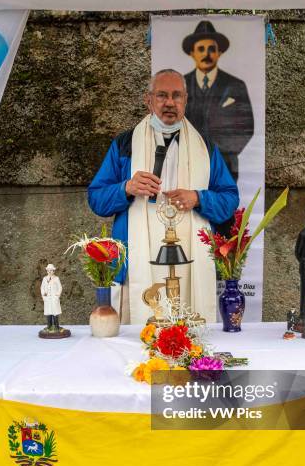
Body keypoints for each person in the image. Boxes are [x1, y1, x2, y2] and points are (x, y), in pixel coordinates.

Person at [87, 69, 239, 324]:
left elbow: (229, 200)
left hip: (190, 263)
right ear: (149, 100)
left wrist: (199, 198)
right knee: (134, 350)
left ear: (186, 100)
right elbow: (96, 198)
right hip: (136, 261)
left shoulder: (206, 147)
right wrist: (125, 188)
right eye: (162, 95)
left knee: (191, 342)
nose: (170, 103)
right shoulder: (125, 145)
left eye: (177, 96)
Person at [183, 21, 254, 184]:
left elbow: (246, 127)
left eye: (211, 49)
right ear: (192, 53)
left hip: (226, 167)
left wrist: (222, 153)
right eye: (201, 49)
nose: (206, 54)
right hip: (187, 168)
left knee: (223, 208)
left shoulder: (236, 86)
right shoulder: (181, 86)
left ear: (219, 53)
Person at [41, 264, 62, 330]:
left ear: (53, 271)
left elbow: (60, 287)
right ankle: (49, 326)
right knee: (48, 312)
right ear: (47, 271)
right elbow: (42, 287)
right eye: (48, 270)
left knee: (55, 312)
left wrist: (57, 295)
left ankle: (56, 326)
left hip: (54, 298)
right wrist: (43, 295)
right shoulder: (44, 279)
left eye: (51, 270)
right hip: (47, 298)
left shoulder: (56, 278)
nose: (49, 272)